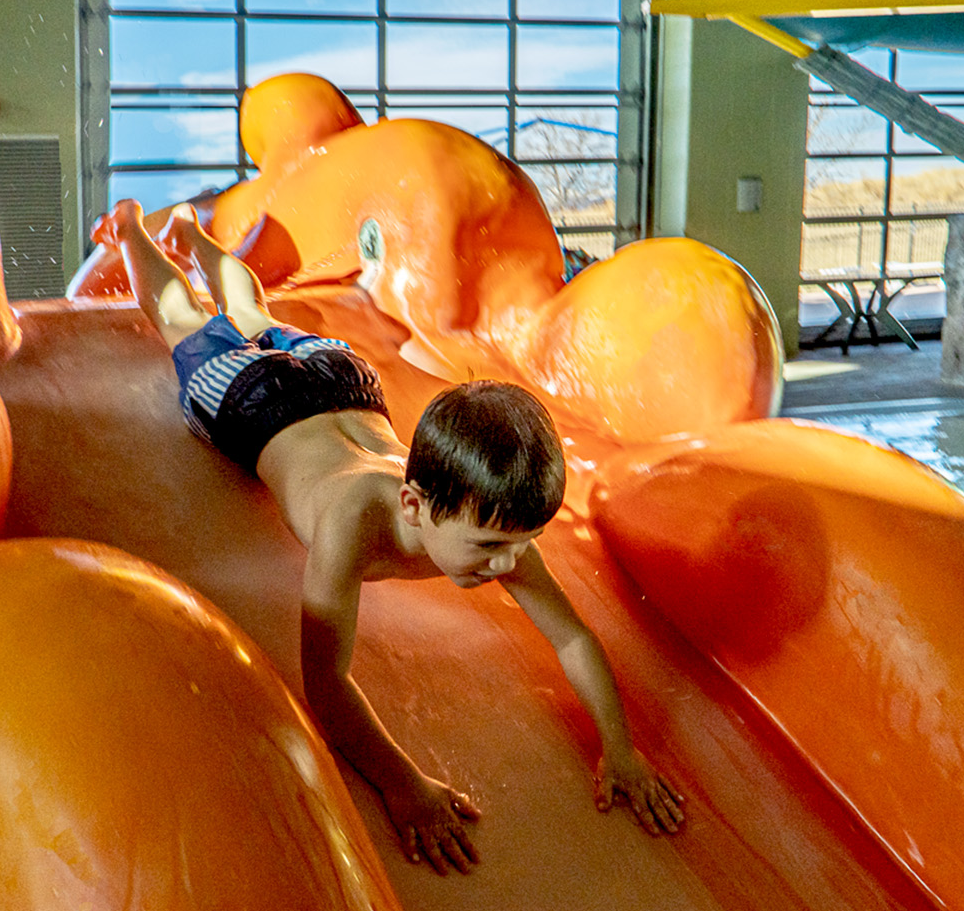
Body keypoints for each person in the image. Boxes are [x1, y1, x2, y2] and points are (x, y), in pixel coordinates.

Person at [94, 199, 685, 874]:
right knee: (183, 320)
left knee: (255, 313)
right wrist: (403, 783)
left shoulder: (492, 520)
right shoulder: (353, 522)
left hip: (343, 379)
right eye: (489, 547)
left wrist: (620, 748)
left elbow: (572, 636)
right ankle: (135, 228)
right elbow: (326, 681)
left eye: (523, 541)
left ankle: (193, 234)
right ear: (413, 503)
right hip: (254, 401)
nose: (510, 563)